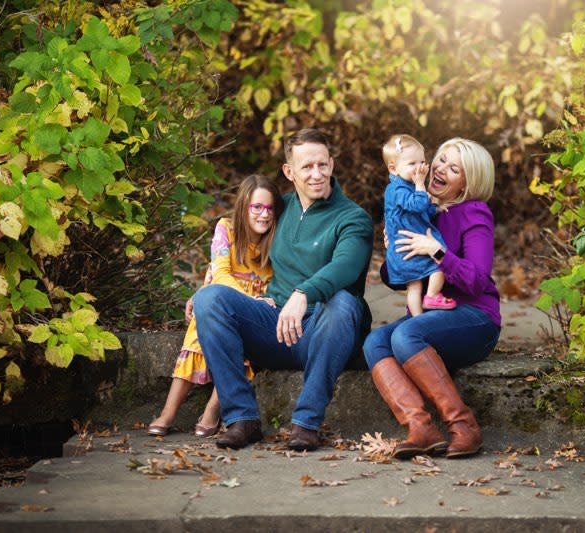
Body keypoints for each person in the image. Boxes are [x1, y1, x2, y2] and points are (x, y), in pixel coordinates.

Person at [193, 128, 374, 450]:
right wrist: (211, 280)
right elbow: (241, 240)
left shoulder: (353, 218)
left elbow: (346, 266)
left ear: (332, 164)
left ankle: (306, 423)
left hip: (327, 330)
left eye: (322, 165)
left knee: (345, 303)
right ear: (289, 172)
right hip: (275, 325)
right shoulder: (281, 208)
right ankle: (242, 419)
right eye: (307, 167)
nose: (316, 174)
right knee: (210, 300)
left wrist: (302, 294)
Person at [364, 138, 501, 459]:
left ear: (469, 182)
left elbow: (476, 280)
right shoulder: (422, 208)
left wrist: (437, 252)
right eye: (440, 160)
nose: (440, 169)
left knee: (406, 333)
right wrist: (393, 253)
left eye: (454, 169)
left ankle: (463, 426)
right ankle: (420, 427)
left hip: (474, 318)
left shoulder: (475, 214)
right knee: (375, 343)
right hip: (432, 316)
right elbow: (397, 279)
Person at [148, 174, 284, 438]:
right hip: (226, 294)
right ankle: (168, 412)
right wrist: (205, 295)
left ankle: (211, 412)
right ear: (244, 207)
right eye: (257, 207)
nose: (264, 215)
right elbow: (220, 273)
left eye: (269, 208)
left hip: (256, 308)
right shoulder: (226, 229)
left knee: (241, 345)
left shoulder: (277, 238)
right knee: (198, 333)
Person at [382, 134, 456, 316]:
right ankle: (432, 296)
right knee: (439, 266)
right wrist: (420, 184)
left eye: (421, 162)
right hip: (408, 249)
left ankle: (416, 319)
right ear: (393, 169)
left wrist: (436, 209)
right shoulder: (397, 189)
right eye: (412, 164)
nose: (419, 168)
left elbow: (419, 213)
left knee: (414, 287)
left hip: (403, 250)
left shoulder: (404, 186)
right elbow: (417, 204)